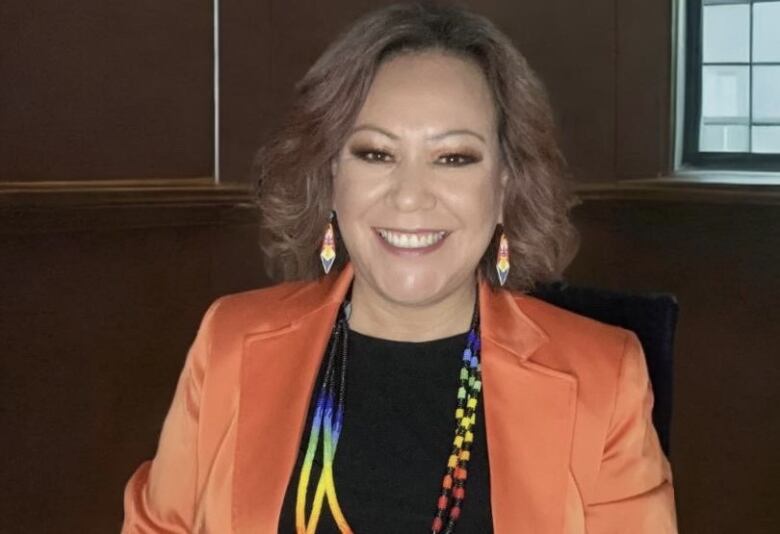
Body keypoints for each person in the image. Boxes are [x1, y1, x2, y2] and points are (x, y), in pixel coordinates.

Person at [122, 3, 677, 533]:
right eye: (376, 153)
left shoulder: (604, 378)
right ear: (331, 174)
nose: (411, 197)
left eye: (454, 158)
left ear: (506, 186)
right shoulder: (230, 340)